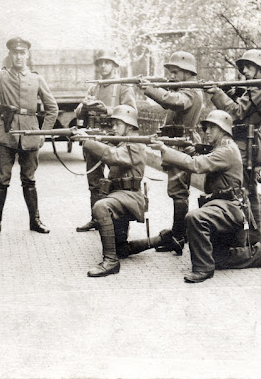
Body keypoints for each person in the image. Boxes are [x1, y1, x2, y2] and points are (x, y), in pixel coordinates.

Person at [148, 110, 261, 283]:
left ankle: (203, 269)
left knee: (194, 218)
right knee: (216, 257)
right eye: (206, 128)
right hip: (223, 208)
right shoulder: (222, 148)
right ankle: (260, 251)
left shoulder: (227, 150)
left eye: (211, 128)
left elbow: (196, 165)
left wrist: (164, 149)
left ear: (223, 129)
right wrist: (196, 150)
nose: (206, 131)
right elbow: (205, 158)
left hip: (230, 208)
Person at [0, 21, 58, 236]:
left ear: (28, 54)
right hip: (6, 133)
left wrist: (42, 135)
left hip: (30, 134)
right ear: (10, 55)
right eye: (14, 53)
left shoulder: (37, 79)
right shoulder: (1, 76)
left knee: (29, 179)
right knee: (2, 178)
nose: (18, 56)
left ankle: (35, 221)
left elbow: (52, 108)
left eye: (22, 52)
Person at [205, 49, 261, 259]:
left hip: (245, 146)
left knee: (244, 193)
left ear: (260, 69)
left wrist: (217, 93)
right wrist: (225, 91)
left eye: (248, 66)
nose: (244, 71)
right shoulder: (251, 89)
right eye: (243, 67)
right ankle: (247, 240)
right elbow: (239, 105)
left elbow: (237, 113)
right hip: (242, 144)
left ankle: (254, 242)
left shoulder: (259, 90)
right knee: (244, 192)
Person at [136, 51, 203, 254]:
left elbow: (173, 101)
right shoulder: (184, 89)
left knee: (179, 192)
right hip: (177, 144)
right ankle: (177, 232)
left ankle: (179, 237)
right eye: (171, 72)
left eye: (175, 72)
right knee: (176, 192)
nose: (171, 76)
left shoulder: (191, 92)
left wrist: (150, 89)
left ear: (187, 72)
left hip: (181, 146)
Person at [73, 106, 146, 277]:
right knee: (121, 247)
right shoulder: (123, 141)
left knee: (101, 206)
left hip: (129, 196)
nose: (113, 128)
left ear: (129, 125)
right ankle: (160, 240)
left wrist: (88, 141)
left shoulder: (135, 144)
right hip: (120, 196)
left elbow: (112, 156)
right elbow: (109, 149)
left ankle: (111, 261)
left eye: (117, 124)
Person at [75, 50, 136, 233]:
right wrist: (84, 106)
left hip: (114, 138)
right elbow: (78, 112)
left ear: (115, 66)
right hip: (95, 136)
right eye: (100, 63)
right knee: (94, 180)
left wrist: (108, 110)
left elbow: (132, 111)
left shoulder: (123, 86)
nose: (103, 66)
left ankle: (117, 221)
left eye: (107, 63)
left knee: (118, 179)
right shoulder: (94, 87)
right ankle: (96, 219)